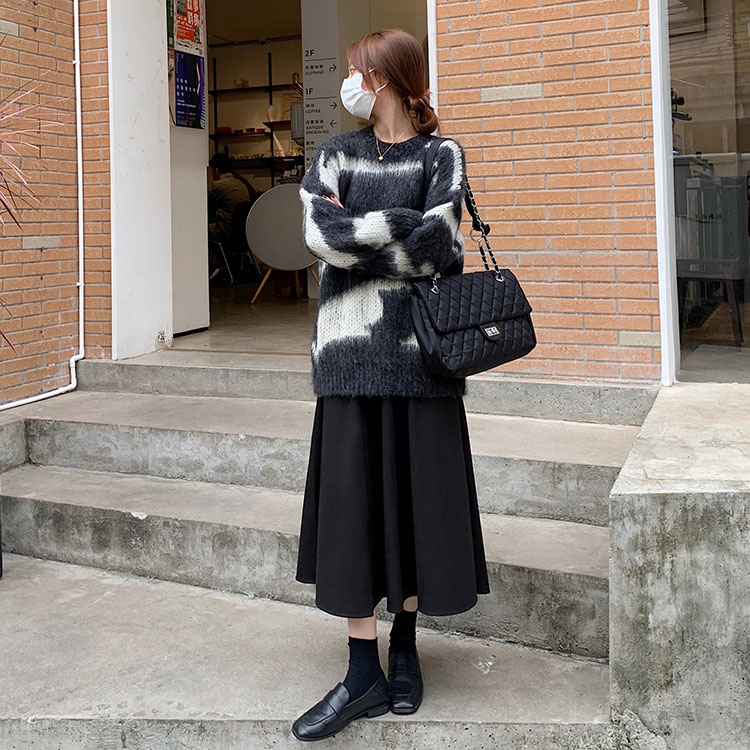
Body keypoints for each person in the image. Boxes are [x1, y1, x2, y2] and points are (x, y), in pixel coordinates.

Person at [291, 28, 490, 742]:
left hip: (421, 361)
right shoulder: (333, 153)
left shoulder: (442, 154)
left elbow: (440, 247)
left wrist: (361, 233)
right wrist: (398, 227)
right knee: (353, 512)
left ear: (386, 76)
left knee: (410, 508)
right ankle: (361, 670)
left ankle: (403, 649)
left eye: (359, 69)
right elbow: (320, 235)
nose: (350, 80)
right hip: (348, 359)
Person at [207, 152, 250, 246]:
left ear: (216, 170)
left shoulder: (219, 185)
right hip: (242, 232)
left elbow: (205, 205)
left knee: (199, 228)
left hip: (226, 231)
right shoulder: (240, 183)